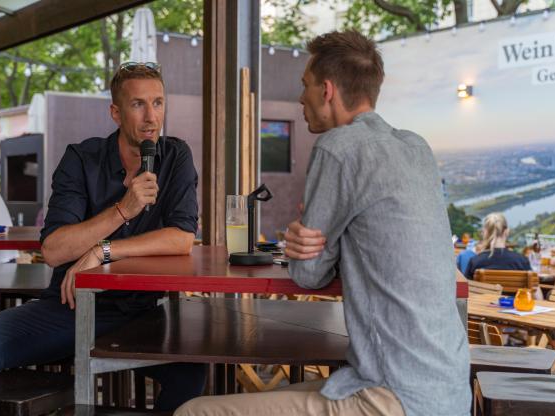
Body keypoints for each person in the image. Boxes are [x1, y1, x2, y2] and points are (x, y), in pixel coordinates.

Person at [175, 30, 470, 416]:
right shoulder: (416, 147)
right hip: (448, 391)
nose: (301, 98)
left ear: (327, 90)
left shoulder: (338, 148)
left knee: (193, 412)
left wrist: (314, 239)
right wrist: (335, 236)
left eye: (305, 85)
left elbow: (308, 273)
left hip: (394, 396)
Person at [0, 62, 206, 410]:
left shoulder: (175, 156)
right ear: (115, 112)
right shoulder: (81, 158)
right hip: (70, 306)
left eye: (158, 103)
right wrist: (124, 209)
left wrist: (104, 251)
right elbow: (55, 251)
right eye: (138, 104)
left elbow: (180, 238)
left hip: (143, 312)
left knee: (191, 374)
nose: (152, 117)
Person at [465, 212, 530, 280]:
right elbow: (534, 288)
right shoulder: (521, 261)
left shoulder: (475, 261)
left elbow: (463, 289)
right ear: (506, 231)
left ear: (485, 232)